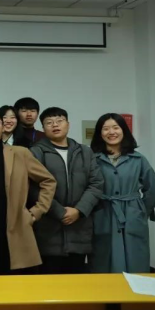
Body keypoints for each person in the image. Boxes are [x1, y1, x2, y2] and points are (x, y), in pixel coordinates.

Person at [0, 110, 56, 275]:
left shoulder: (21, 153)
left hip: (15, 224)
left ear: (2, 126)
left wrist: (36, 212)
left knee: (13, 278)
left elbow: (48, 181)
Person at [30, 107, 104, 274]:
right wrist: (59, 211)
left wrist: (79, 210)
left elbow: (96, 183)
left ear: (68, 124)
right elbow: (32, 187)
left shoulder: (85, 151)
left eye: (59, 121)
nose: (55, 125)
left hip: (80, 226)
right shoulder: (35, 152)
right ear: (43, 128)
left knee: (77, 279)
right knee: (49, 279)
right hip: (49, 227)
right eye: (49, 122)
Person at [89, 113, 155, 273]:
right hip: (103, 213)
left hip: (132, 214)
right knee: (103, 260)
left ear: (124, 130)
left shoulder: (138, 159)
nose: (111, 132)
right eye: (106, 128)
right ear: (100, 133)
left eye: (116, 127)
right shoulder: (92, 159)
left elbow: (154, 190)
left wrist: (140, 211)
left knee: (135, 259)